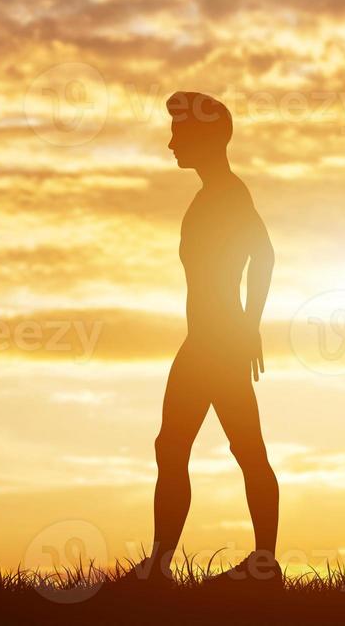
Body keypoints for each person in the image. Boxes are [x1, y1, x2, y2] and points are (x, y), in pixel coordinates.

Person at [130, 91, 280, 585]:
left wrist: (248, 325)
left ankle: (261, 564)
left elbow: (264, 255)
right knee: (174, 446)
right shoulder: (215, 192)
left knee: (242, 450)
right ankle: (162, 565)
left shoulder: (227, 194)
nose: (171, 142)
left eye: (180, 134)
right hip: (205, 342)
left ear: (206, 138)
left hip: (216, 342)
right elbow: (263, 256)